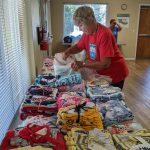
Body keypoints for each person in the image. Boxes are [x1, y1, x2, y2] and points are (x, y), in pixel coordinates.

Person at [63, 6, 128, 89]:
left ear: (90, 21)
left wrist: (82, 64)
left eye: (81, 25)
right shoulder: (87, 33)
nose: (80, 29)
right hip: (101, 72)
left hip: (114, 73)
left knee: (108, 99)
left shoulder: (104, 34)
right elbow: (79, 46)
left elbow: (105, 63)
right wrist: (67, 52)